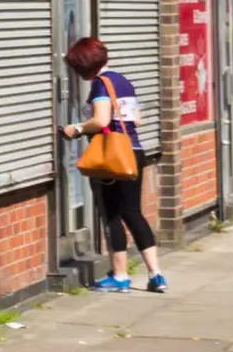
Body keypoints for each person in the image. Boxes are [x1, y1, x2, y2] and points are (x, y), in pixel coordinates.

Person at [66, 34, 167, 294]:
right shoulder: (124, 82)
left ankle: (120, 276)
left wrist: (77, 128)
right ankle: (156, 274)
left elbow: (101, 121)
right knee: (132, 212)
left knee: (111, 214)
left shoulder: (101, 84)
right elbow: (137, 120)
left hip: (110, 157)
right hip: (134, 152)